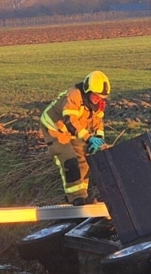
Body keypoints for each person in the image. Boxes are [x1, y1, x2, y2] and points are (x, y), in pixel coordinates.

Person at [40, 71, 110, 205]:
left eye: (101, 97)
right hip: (55, 129)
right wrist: (89, 138)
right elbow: (70, 121)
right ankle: (74, 198)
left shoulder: (98, 104)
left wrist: (99, 138)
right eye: (96, 95)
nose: (98, 99)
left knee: (84, 159)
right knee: (69, 161)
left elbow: (98, 122)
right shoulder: (73, 96)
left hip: (74, 131)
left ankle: (82, 195)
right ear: (87, 90)